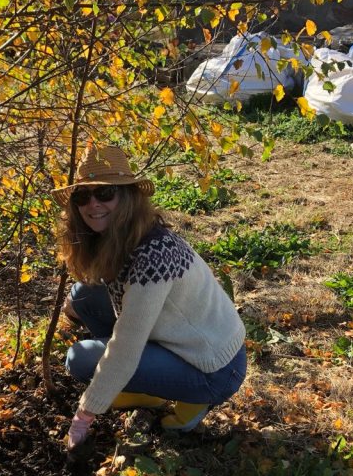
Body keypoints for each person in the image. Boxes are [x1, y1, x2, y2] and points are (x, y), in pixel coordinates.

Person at [52, 144, 247, 450]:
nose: (92, 204)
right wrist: (73, 307)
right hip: (185, 340)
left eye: (105, 194)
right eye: (82, 196)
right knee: (83, 296)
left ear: (127, 196)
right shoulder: (123, 235)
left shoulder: (154, 255)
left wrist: (84, 415)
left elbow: (127, 344)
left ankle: (191, 399)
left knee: (80, 358)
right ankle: (148, 390)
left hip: (214, 368)